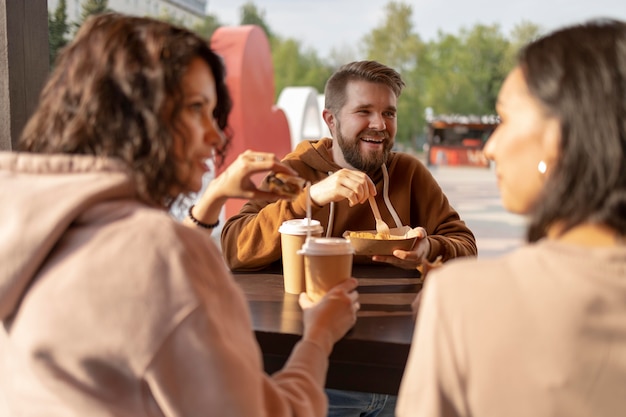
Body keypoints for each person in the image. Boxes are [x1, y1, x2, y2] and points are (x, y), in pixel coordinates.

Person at [0, 13, 360, 417]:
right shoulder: (163, 254)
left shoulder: (28, 225)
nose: (216, 135)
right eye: (195, 108)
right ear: (131, 114)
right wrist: (319, 336)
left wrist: (214, 196)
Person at [220, 60, 478, 416]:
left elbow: (464, 244)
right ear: (331, 120)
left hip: (403, 371)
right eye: (364, 111)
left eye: (389, 113)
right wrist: (308, 198)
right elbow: (234, 245)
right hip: (323, 372)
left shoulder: (409, 174)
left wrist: (428, 247)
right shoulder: (295, 171)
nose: (379, 125)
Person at [397, 18, 626, 417]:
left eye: (504, 120)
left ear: (558, 138)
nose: (489, 149)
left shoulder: (461, 300)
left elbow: (459, 240)